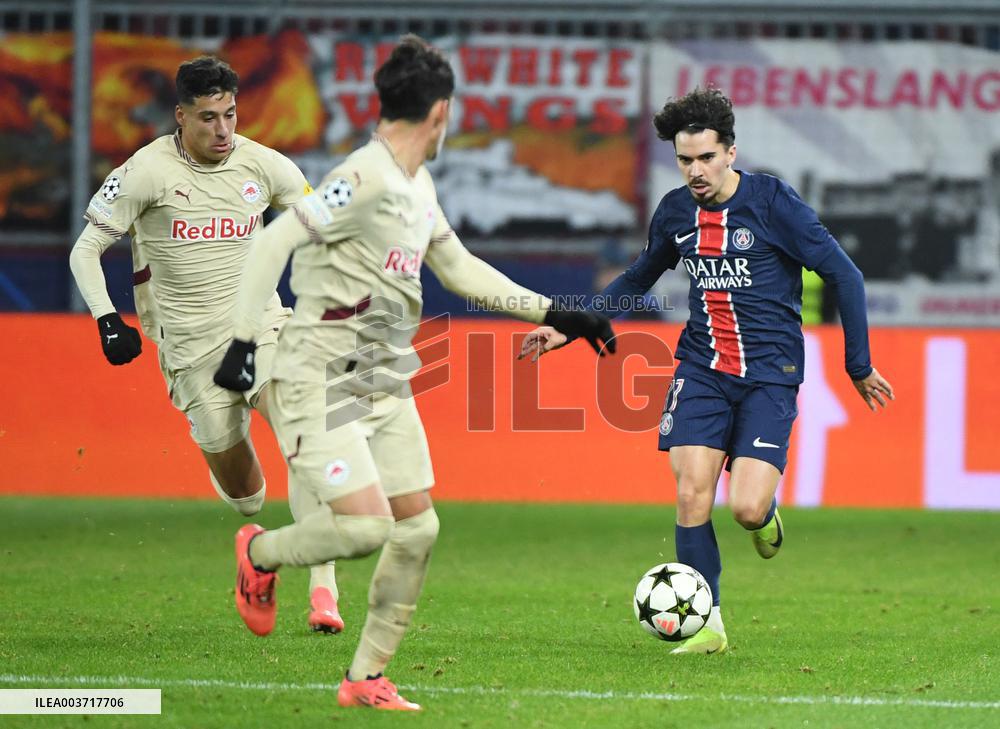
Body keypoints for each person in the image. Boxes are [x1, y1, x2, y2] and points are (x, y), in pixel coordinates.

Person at [213, 35, 615, 711]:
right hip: (320, 375)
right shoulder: (363, 178)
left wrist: (559, 312)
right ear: (440, 114)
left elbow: (458, 269)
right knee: (367, 528)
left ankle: (365, 676)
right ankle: (260, 555)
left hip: (386, 379)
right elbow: (274, 238)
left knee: (418, 527)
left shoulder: (416, 185)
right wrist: (244, 341)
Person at [520, 87, 894, 654]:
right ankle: (709, 623)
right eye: (684, 159)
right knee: (692, 492)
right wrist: (569, 325)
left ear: (731, 154)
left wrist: (858, 365)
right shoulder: (675, 211)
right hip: (701, 367)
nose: (695, 170)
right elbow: (638, 277)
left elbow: (847, 276)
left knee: (744, 508)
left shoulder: (774, 205)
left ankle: (765, 515)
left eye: (705, 158)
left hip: (771, 374)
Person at [68, 56, 345, 635]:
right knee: (247, 496)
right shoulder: (145, 171)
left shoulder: (262, 164)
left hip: (260, 326)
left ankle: (325, 595)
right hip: (192, 351)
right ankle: (255, 544)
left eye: (231, 115)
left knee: (303, 434)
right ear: (180, 116)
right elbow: (84, 250)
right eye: (208, 119)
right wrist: (106, 320)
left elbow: (320, 223)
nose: (223, 131)